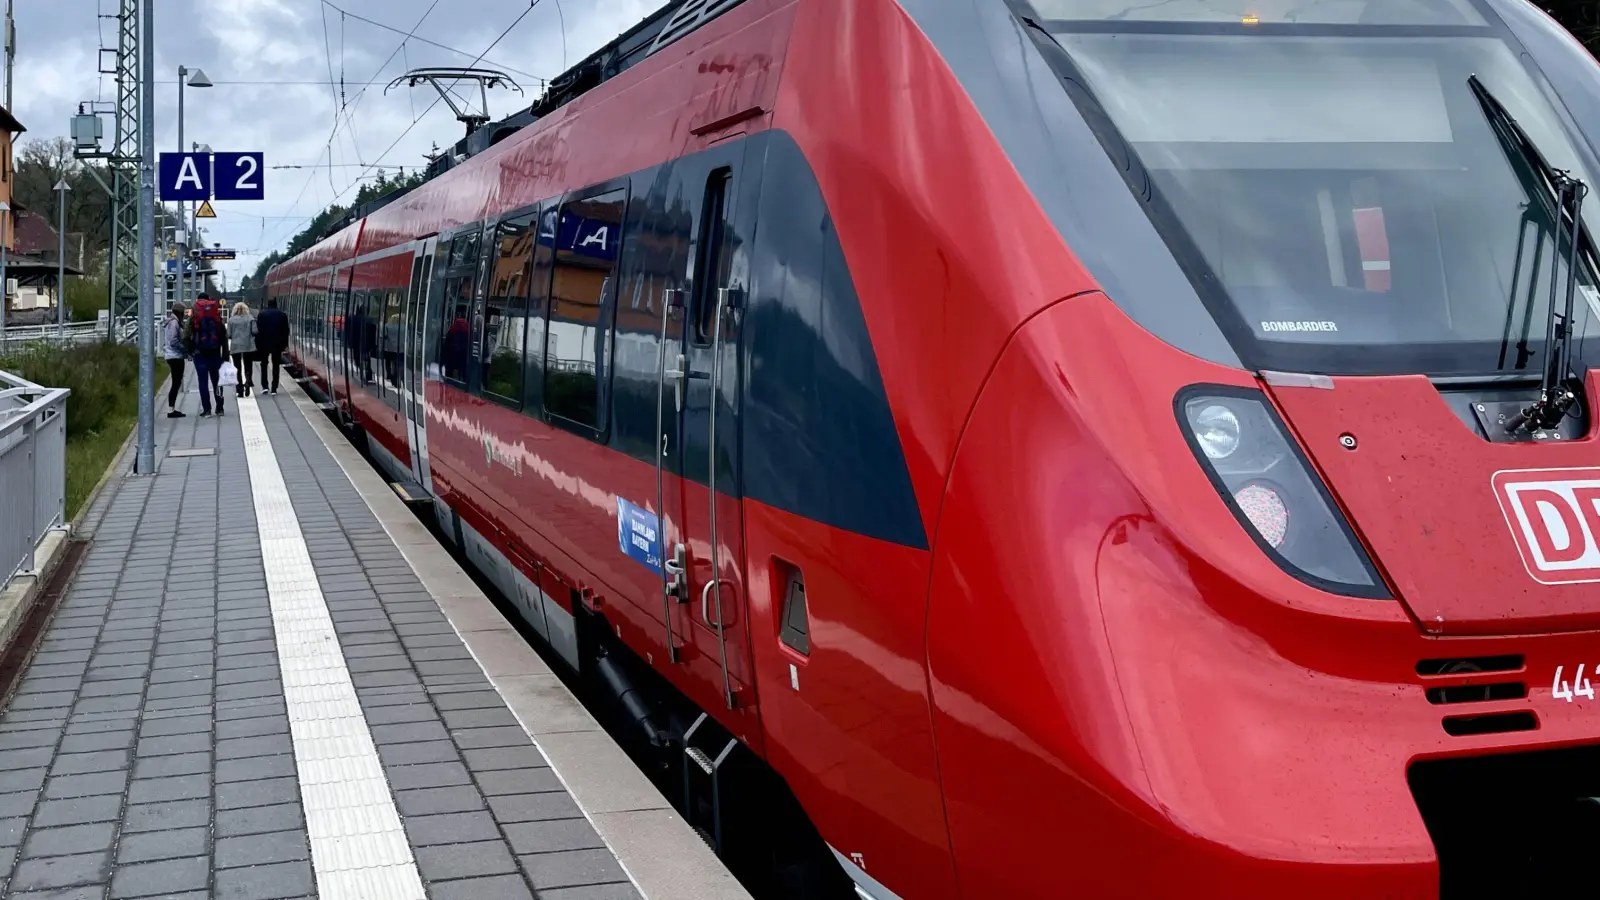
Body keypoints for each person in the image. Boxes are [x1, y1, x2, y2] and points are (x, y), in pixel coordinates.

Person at [186, 292, 228, 417]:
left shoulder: (194, 317)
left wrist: (190, 351)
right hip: (215, 353)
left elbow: (185, 336)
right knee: (217, 381)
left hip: (200, 354)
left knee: (203, 382)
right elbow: (224, 337)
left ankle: (207, 410)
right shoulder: (215, 316)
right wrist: (225, 356)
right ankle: (219, 408)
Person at [256, 297, 290, 394]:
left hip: (263, 344)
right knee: (276, 365)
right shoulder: (282, 315)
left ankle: (265, 386)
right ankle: (274, 387)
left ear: (268, 304)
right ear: (276, 304)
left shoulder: (261, 314)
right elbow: (286, 331)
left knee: (264, 364)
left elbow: (258, 330)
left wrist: (257, 344)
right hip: (277, 344)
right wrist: (285, 344)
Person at [162, 301, 188, 418]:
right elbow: (173, 341)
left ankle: (171, 408)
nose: (184, 315)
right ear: (179, 312)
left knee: (176, 382)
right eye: (184, 312)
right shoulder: (174, 323)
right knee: (176, 382)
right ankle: (171, 409)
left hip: (171, 355)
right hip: (175, 355)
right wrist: (184, 349)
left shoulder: (171, 321)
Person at [227, 302, 258, 398]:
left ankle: (239, 390)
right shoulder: (250, 318)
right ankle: (248, 381)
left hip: (236, 346)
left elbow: (228, 334)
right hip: (248, 346)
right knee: (248, 366)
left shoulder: (231, 320)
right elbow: (255, 331)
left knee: (237, 368)